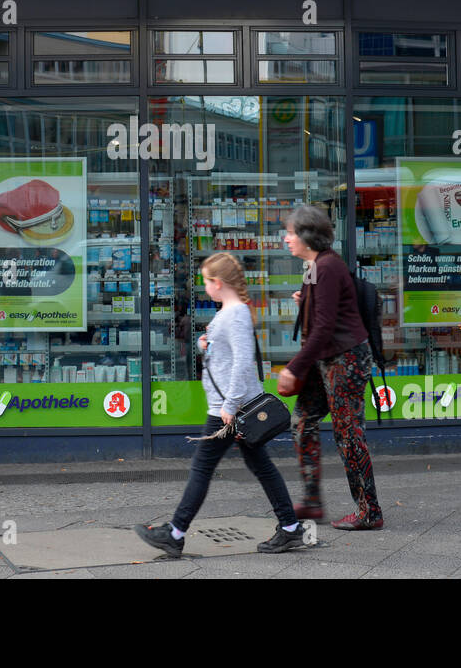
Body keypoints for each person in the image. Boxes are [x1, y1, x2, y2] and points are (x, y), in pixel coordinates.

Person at [135, 252, 303, 556]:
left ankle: (175, 533)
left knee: (202, 468)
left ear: (219, 283)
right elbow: (228, 354)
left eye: (206, 281)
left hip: (231, 410)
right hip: (232, 407)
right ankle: (290, 528)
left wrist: (229, 404)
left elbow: (242, 363)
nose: (204, 287)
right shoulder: (230, 311)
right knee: (260, 466)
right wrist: (206, 345)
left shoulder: (235, 312)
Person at [277, 204, 384, 531]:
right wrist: (304, 302)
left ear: (307, 236)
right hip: (327, 359)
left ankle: (369, 511)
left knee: (348, 434)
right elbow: (324, 314)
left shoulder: (326, 267)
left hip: (345, 359)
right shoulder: (315, 266)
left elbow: (323, 328)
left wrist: (294, 367)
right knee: (302, 421)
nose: (286, 239)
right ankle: (311, 500)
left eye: (291, 233)